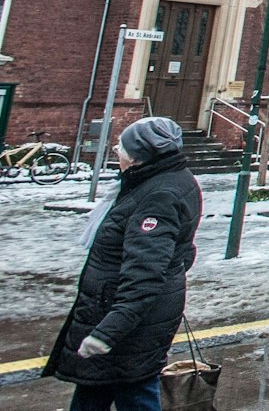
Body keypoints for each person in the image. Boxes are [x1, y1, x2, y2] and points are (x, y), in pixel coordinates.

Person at [45, 116, 203, 411]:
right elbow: (182, 251)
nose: (117, 150)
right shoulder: (170, 180)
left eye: (122, 147)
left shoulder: (157, 195)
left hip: (126, 325)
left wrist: (107, 332)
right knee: (100, 391)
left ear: (138, 156)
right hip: (130, 318)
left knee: (134, 391)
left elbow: (145, 275)